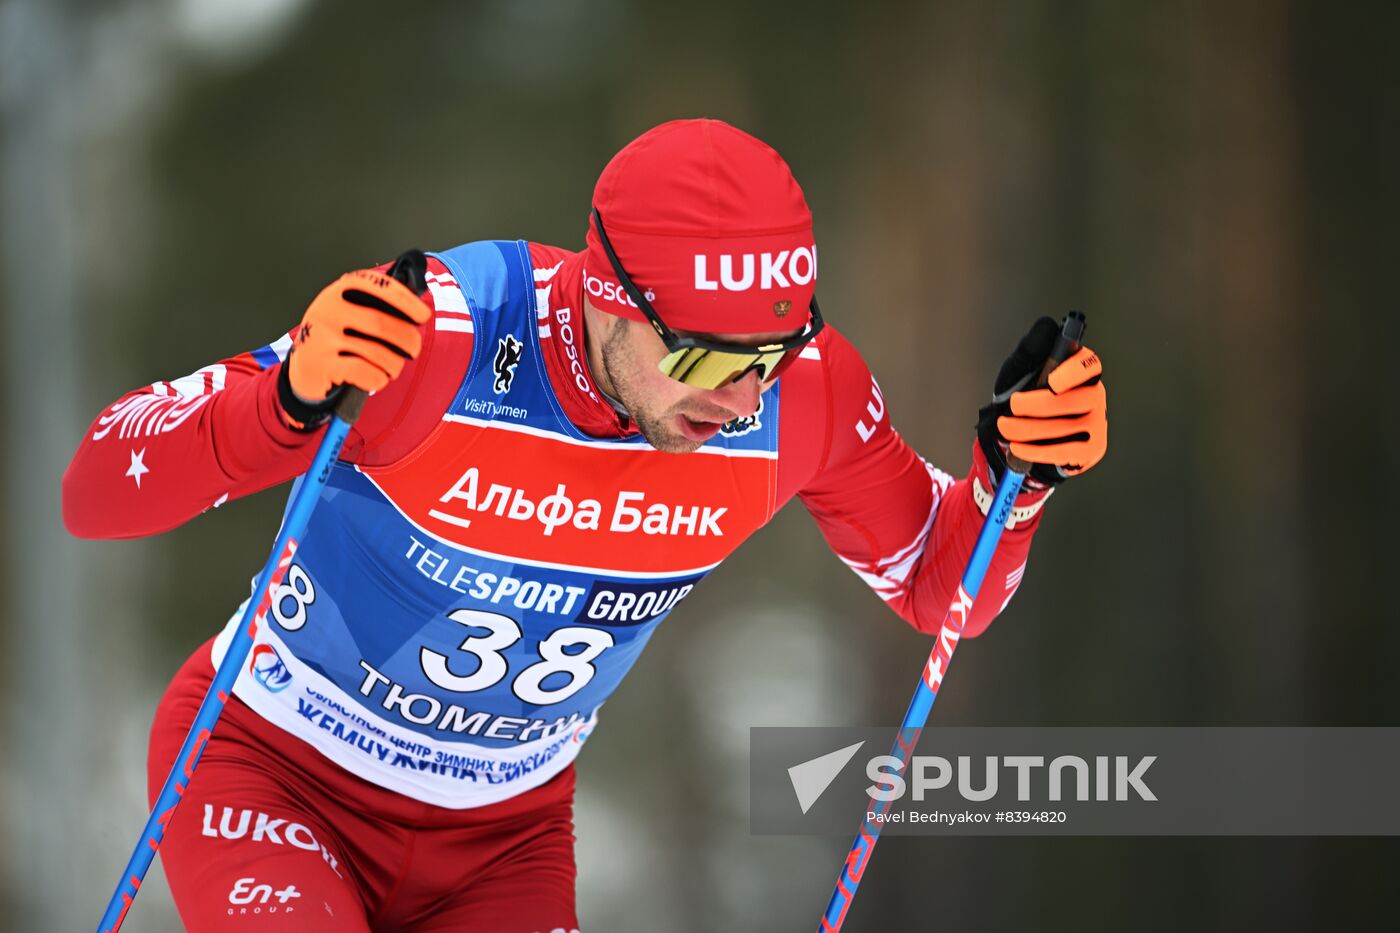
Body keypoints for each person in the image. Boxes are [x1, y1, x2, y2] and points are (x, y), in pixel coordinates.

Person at [63, 119, 1108, 932]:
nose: (743, 401)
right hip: (274, 771)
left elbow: (941, 592)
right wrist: (284, 398)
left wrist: (1016, 477)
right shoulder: (444, 335)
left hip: (501, 838)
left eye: (772, 355)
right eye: (704, 358)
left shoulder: (806, 397)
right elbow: (98, 487)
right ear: (610, 297)